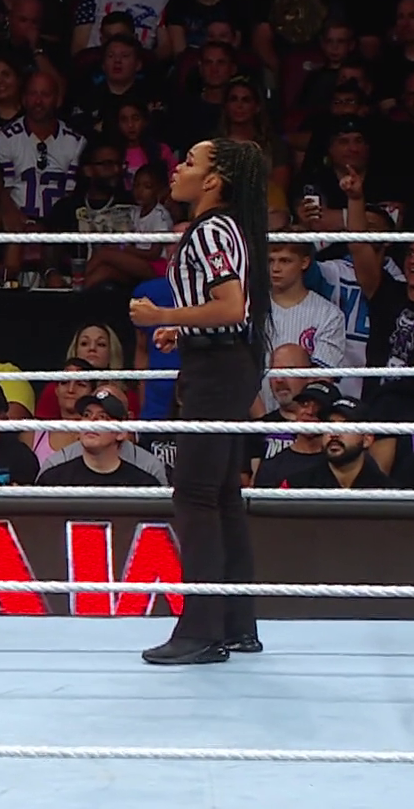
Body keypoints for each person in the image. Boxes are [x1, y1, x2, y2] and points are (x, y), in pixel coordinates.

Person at [129, 138, 270, 666]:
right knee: (221, 493)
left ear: (213, 180)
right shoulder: (227, 226)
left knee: (194, 494)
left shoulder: (210, 229)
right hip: (224, 363)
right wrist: (185, 329)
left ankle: (202, 630)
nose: (177, 169)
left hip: (218, 372)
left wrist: (162, 317)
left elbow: (230, 305)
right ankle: (235, 624)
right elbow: (226, 310)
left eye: (190, 162)